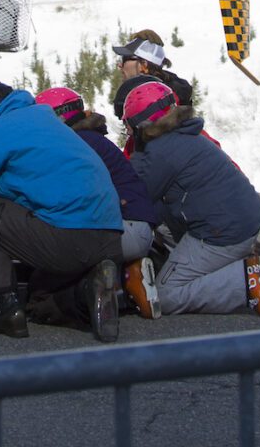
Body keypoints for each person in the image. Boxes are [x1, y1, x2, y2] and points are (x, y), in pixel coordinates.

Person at [0, 81, 125, 341]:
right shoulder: (50, 121)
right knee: (38, 302)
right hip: (110, 239)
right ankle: (87, 293)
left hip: (68, 237)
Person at [123, 80, 260, 317]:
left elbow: (136, 195)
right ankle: (237, 265)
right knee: (162, 222)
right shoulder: (187, 135)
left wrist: (139, 148)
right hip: (240, 222)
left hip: (220, 233)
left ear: (142, 123)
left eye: (128, 124)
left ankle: (243, 284)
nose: (128, 131)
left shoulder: (160, 151)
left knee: (164, 295)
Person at [35, 85, 165, 318]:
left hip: (125, 230)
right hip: (136, 228)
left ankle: (115, 292)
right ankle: (129, 280)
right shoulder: (89, 139)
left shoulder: (77, 144)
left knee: (57, 260)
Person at [112, 29, 195, 112]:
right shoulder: (171, 94)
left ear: (143, 64)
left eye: (124, 58)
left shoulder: (151, 103)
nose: (120, 65)